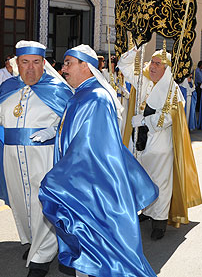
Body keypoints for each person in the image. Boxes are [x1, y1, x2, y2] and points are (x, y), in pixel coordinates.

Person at [39, 45, 158, 277]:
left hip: (90, 189)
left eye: (68, 63)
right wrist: (55, 130)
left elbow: (90, 148)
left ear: (86, 66)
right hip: (85, 186)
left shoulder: (95, 97)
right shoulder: (84, 94)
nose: (63, 69)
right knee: (93, 252)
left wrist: (59, 180)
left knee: (99, 251)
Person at [0, 41, 72, 277]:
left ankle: (41, 257)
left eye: (36, 62)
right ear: (17, 64)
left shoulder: (58, 88)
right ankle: (34, 242)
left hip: (44, 157)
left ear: (44, 63)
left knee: (42, 204)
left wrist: (54, 130)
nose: (30, 68)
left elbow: (72, 121)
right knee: (20, 202)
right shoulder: (9, 87)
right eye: (25, 62)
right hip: (12, 157)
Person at [118, 46, 202, 241]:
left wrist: (146, 121)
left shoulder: (172, 90)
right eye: (152, 62)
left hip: (159, 144)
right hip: (138, 142)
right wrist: (136, 51)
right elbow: (124, 65)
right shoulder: (143, 80)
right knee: (141, 178)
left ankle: (160, 221)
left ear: (166, 69)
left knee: (160, 182)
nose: (152, 67)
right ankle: (146, 211)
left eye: (158, 64)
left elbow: (170, 117)